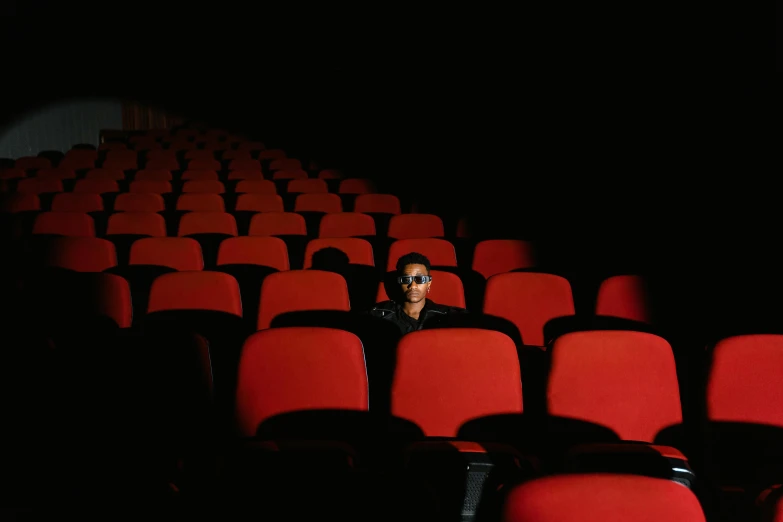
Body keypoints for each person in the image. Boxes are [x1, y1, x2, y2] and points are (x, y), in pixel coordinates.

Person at [369, 252, 467, 335]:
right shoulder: (377, 315)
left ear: (429, 283)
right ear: (399, 282)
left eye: (420, 279)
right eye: (406, 279)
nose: (413, 286)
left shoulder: (447, 316)